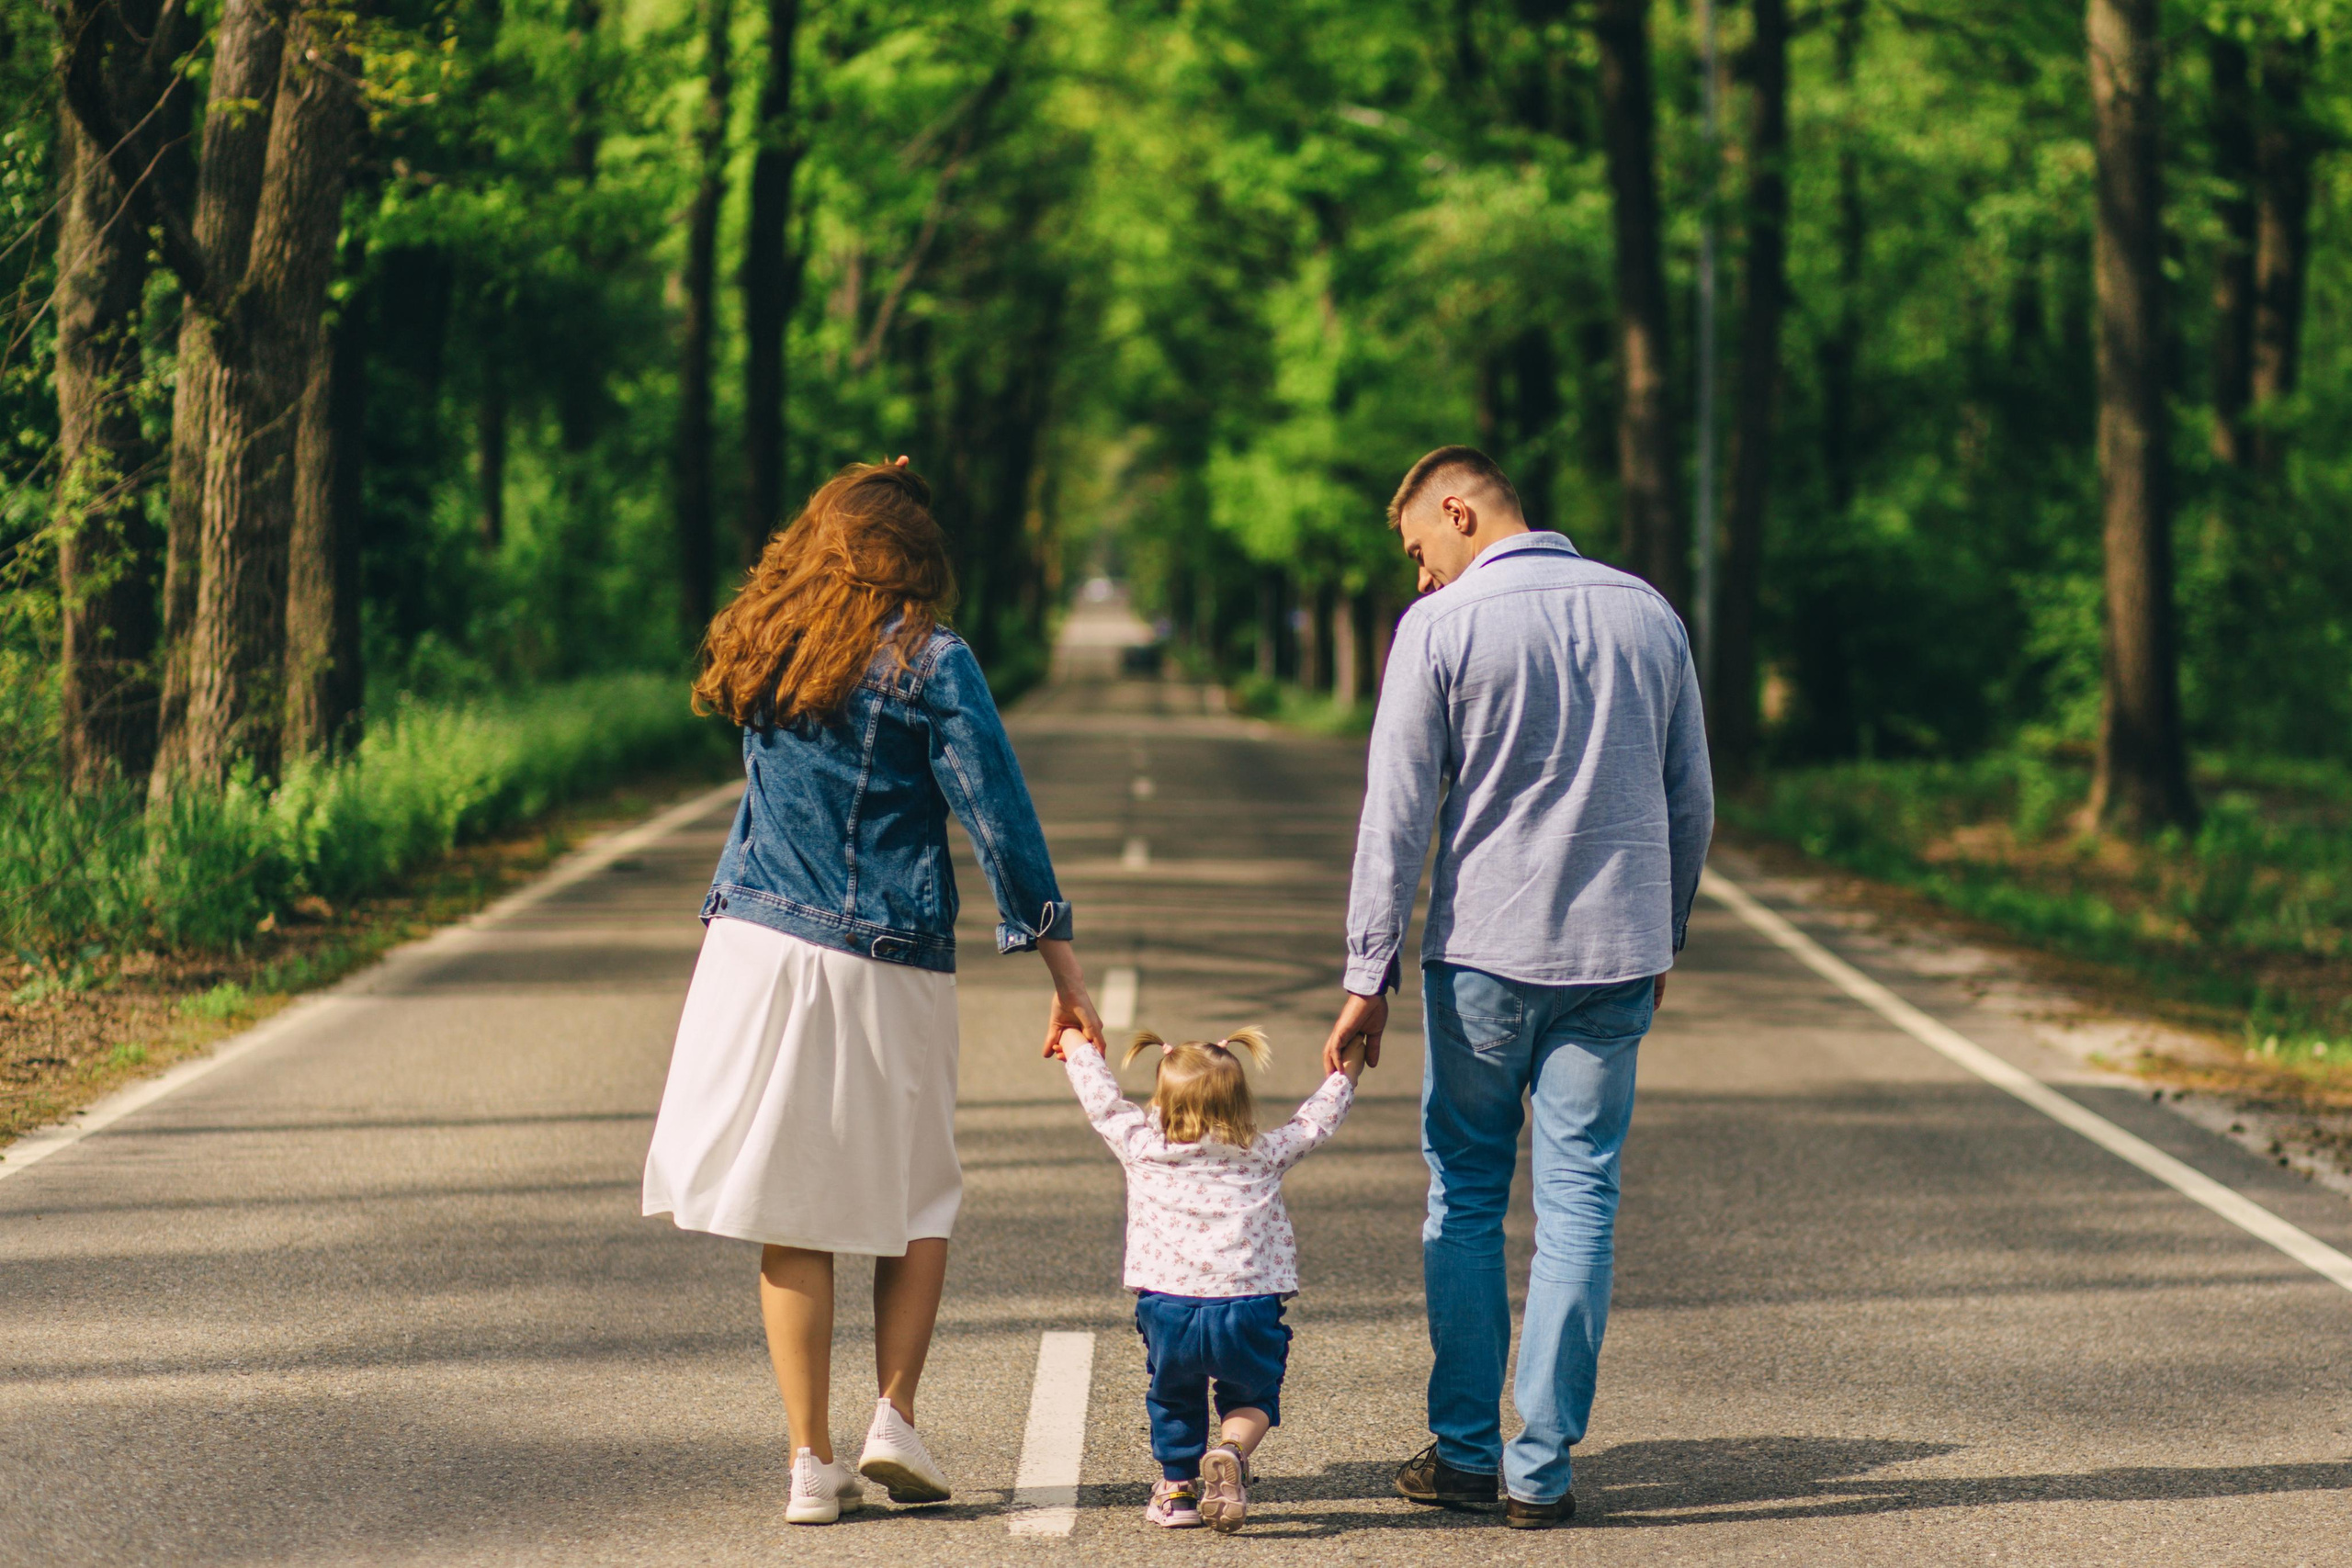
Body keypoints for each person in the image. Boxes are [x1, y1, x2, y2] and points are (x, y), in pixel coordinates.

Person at [642, 459, 1106, 1527]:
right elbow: (1000, 818)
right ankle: (892, 1417)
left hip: (753, 949)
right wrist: (1060, 968)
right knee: (912, 1194)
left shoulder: (771, 644)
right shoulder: (932, 661)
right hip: (885, 958)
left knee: (790, 1206)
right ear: (917, 560)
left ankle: (809, 1463)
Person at [1321, 446, 1713, 1529]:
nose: (1417, 576)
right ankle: (1540, 1472)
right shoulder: (1649, 616)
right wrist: (1662, 932)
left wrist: (1367, 975)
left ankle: (1461, 1454)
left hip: (1485, 958)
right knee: (1581, 1196)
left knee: (1467, 1194)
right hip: (1615, 959)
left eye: (1417, 549)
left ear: (1459, 510)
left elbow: (1395, 815)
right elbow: (1693, 801)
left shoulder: (1442, 631)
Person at [1053, 1023, 1369, 1532]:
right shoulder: (1263, 1151)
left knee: (1174, 1393)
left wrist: (1074, 1043)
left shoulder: (1141, 1145)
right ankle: (1230, 1450)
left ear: (1162, 1099)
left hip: (1168, 1306)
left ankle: (1177, 1491)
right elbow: (1317, 1120)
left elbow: (1103, 1100)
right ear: (1240, 1103)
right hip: (1247, 1304)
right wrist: (1349, 1064)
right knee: (1252, 1396)